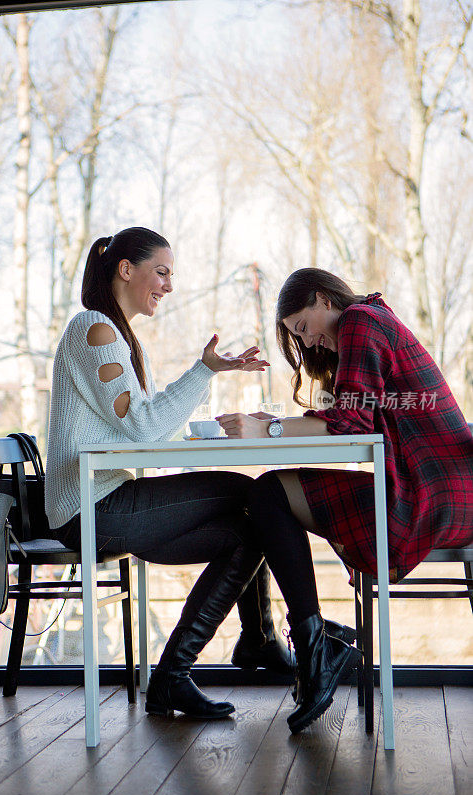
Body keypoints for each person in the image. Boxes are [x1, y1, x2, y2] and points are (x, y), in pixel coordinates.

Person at [45, 226, 307, 721]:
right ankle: (263, 639)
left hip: (108, 501)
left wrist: (206, 373)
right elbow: (146, 426)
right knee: (253, 492)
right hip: (90, 509)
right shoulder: (95, 330)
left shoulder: (112, 335)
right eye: (161, 272)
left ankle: (174, 677)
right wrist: (204, 370)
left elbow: (135, 428)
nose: (168, 285)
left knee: (249, 533)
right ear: (127, 269)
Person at [217, 267, 473, 734]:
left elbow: (352, 423)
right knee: (269, 492)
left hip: (430, 499)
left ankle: (311, 647)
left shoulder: (360, 320)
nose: (309, 342)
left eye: (302, 327)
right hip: (446, 490)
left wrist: (265, 428)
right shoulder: (373, 318)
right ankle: (311, 645)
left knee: (269, 493)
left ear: (322, 298)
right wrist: (277, 425)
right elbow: (361, 417)